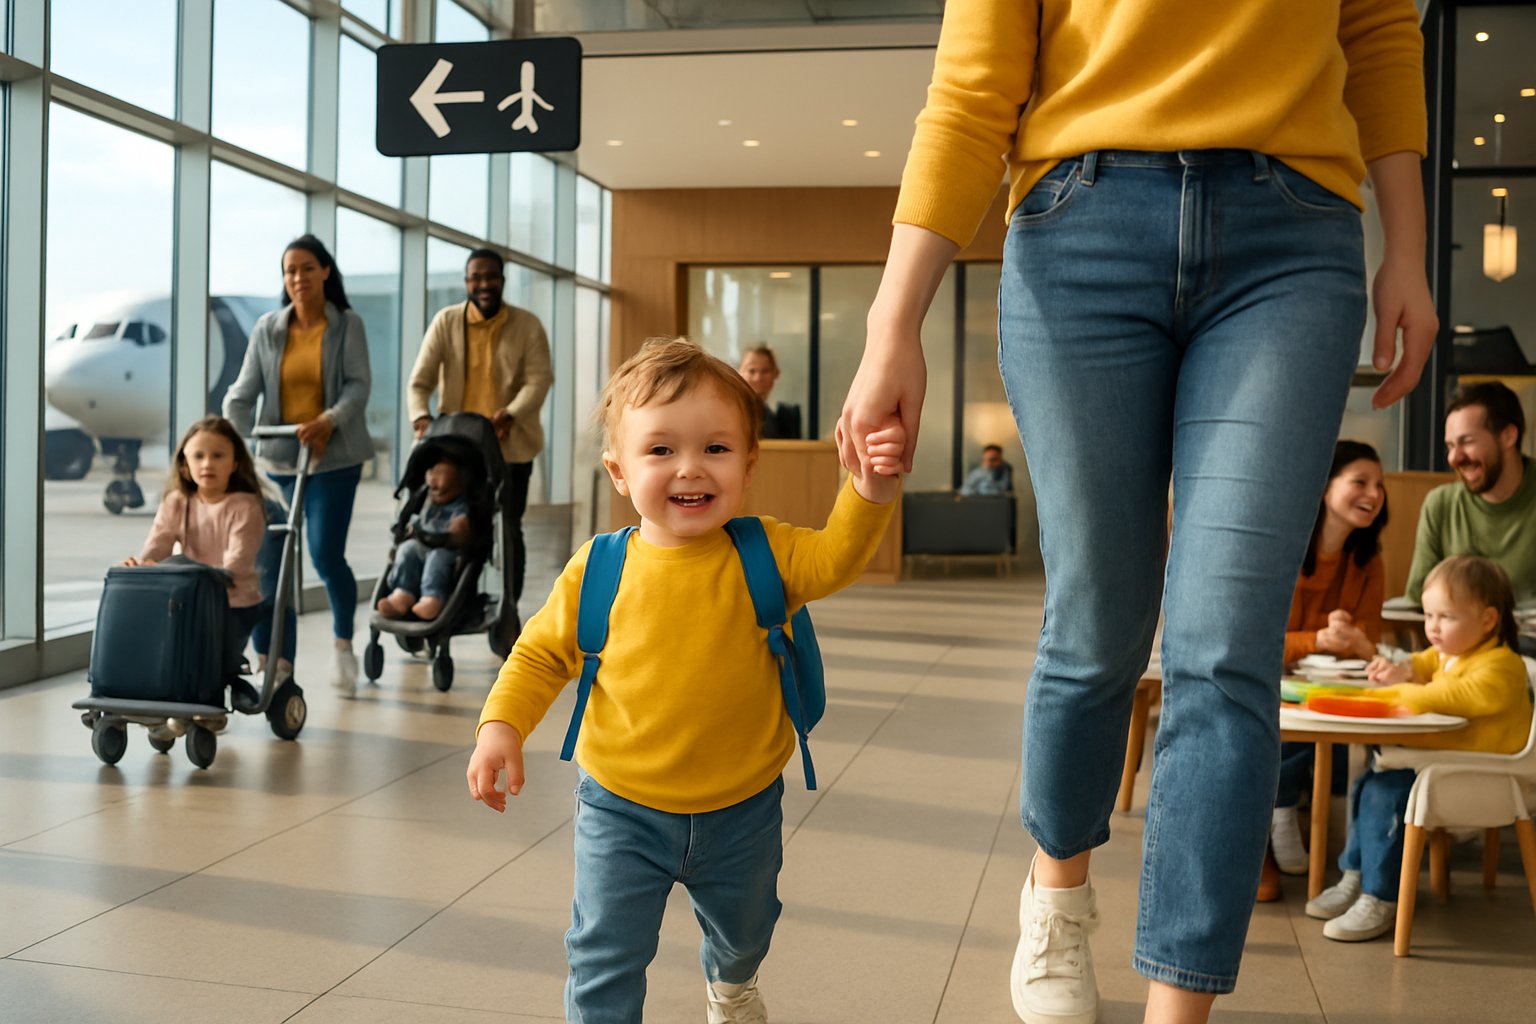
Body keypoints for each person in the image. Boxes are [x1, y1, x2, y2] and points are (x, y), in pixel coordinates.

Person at [835, 2, 1436, 1021]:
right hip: (1081, 224)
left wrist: (1409, 246)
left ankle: (1178, 1002)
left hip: (1290, 235)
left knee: (1223, 645)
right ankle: (1057, 899)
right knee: (1097, 620)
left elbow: (1377, 29)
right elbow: (974, 86)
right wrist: (895, 318)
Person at [465, 338, 902, 1023]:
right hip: (620, 806)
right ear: (618, 470)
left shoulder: (765, 552)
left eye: (716, 449)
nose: (689, 469)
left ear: (749, 462)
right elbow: (539, 656)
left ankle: (731, 984)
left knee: (745, 932)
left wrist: (869, 489)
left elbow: (836, 557)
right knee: (603, 954)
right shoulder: (599, 569)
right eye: (661, 450)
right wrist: (501, 726)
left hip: (742, 809)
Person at [1305, 555, 1532, 941]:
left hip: (1486, 776)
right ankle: (1355, 876)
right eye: (1428, 616)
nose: (1433, 627)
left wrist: (1397, 684)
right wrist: (1402, 668)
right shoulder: (1455, 654)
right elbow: (1422, 664)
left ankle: (1380, 896)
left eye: (1446, 617)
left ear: (1488, 620)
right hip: (1446, 763)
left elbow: (1445, 695)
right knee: (1368, 782)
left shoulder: (1501, 666)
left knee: (1383, 792)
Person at [225, 234, 373, 697]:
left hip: (334, 459)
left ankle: (343, 643)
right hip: (280, 461)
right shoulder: (268, 328)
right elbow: (243, 392)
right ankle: (275, 660)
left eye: (307, 268)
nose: (298, 278)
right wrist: (232, 436)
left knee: (325, 555)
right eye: (290, 270)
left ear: (325, 272)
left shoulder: (347, 325)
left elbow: (357, 386)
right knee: (270, 564)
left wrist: (327, 421)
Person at [1261, 440, 1388, 900]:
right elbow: (1257, 639)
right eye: (1359, 482)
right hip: (1272, 683)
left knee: (1337, 718)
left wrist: (1356, 641)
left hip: (1329, 688)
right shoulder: (1284, 549)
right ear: (1323, 487)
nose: (1373, 494)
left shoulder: (1368, 562)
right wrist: (1316, 640)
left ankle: (1281, 807)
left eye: (1379, 486)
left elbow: (1370, 641)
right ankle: (1277, 813)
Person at [408, 248, 553, 637]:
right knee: (463, 527)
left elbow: (539, 380)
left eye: (491, 276)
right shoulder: (446, 322)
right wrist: (421, 417)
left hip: (511, 449)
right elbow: (419, 381)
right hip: (458, 451)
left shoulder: (528, 326)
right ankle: (450, 602)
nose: (484, 284)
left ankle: (508, 607)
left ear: (502, 280)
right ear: (466, 281)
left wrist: (511, 413)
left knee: (509, 529)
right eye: (476, 277)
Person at [122, 416, 269, 711]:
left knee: (207, 652)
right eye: (198, 456)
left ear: (235, 463)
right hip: (190, 597)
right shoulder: (177, 501)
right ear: (184, 466)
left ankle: (218, 690)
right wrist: (141, 563)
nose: (207, 464)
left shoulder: (245, 506)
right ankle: (165, 696)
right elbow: (159, 543)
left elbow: (237, 562)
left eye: (218, 456)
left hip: (233, 602)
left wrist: (204, 576)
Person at [1403, 381, 1536, 604]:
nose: (1454, 458)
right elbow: (1417, 601)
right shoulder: (1441, 504)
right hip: (1459, 638)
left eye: (1467, 442)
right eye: (1450, 446)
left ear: (1508, 436)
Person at [376, 455, 472, 621]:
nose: (433, 479)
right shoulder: (426, 499)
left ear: (458, 480)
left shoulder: (460, 505)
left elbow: (461, 529)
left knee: (437, 559)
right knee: (407, 550)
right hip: (422, 544)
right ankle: (403, 594)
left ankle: (432, 597)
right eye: (430, 473)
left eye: (440, 474)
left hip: (446, 547)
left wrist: (459, 528)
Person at [738, 345, 803, 439]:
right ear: (739, 372)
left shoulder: (783, 416)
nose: (758, 378)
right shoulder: (731, 411)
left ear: (776, 373)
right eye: (751, 371)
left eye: (765, 371)